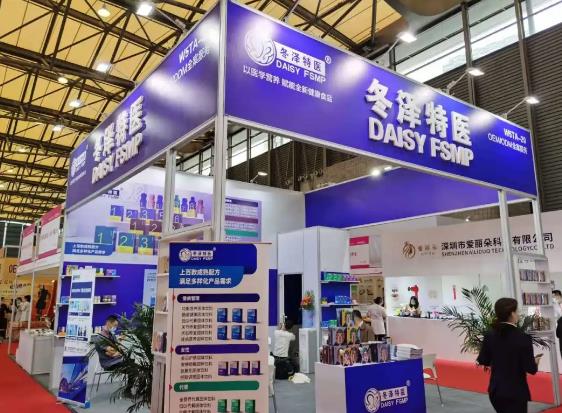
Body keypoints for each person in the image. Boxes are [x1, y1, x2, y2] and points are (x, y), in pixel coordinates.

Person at [477, 298, 540, 413]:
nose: (518, 314)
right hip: (516, 393)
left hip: (496, 391)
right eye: (517, 311)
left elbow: (483, 360)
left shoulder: (489, 335)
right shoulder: (523, 338)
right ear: (512, 314)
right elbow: (531, 369)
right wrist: (536, 362)